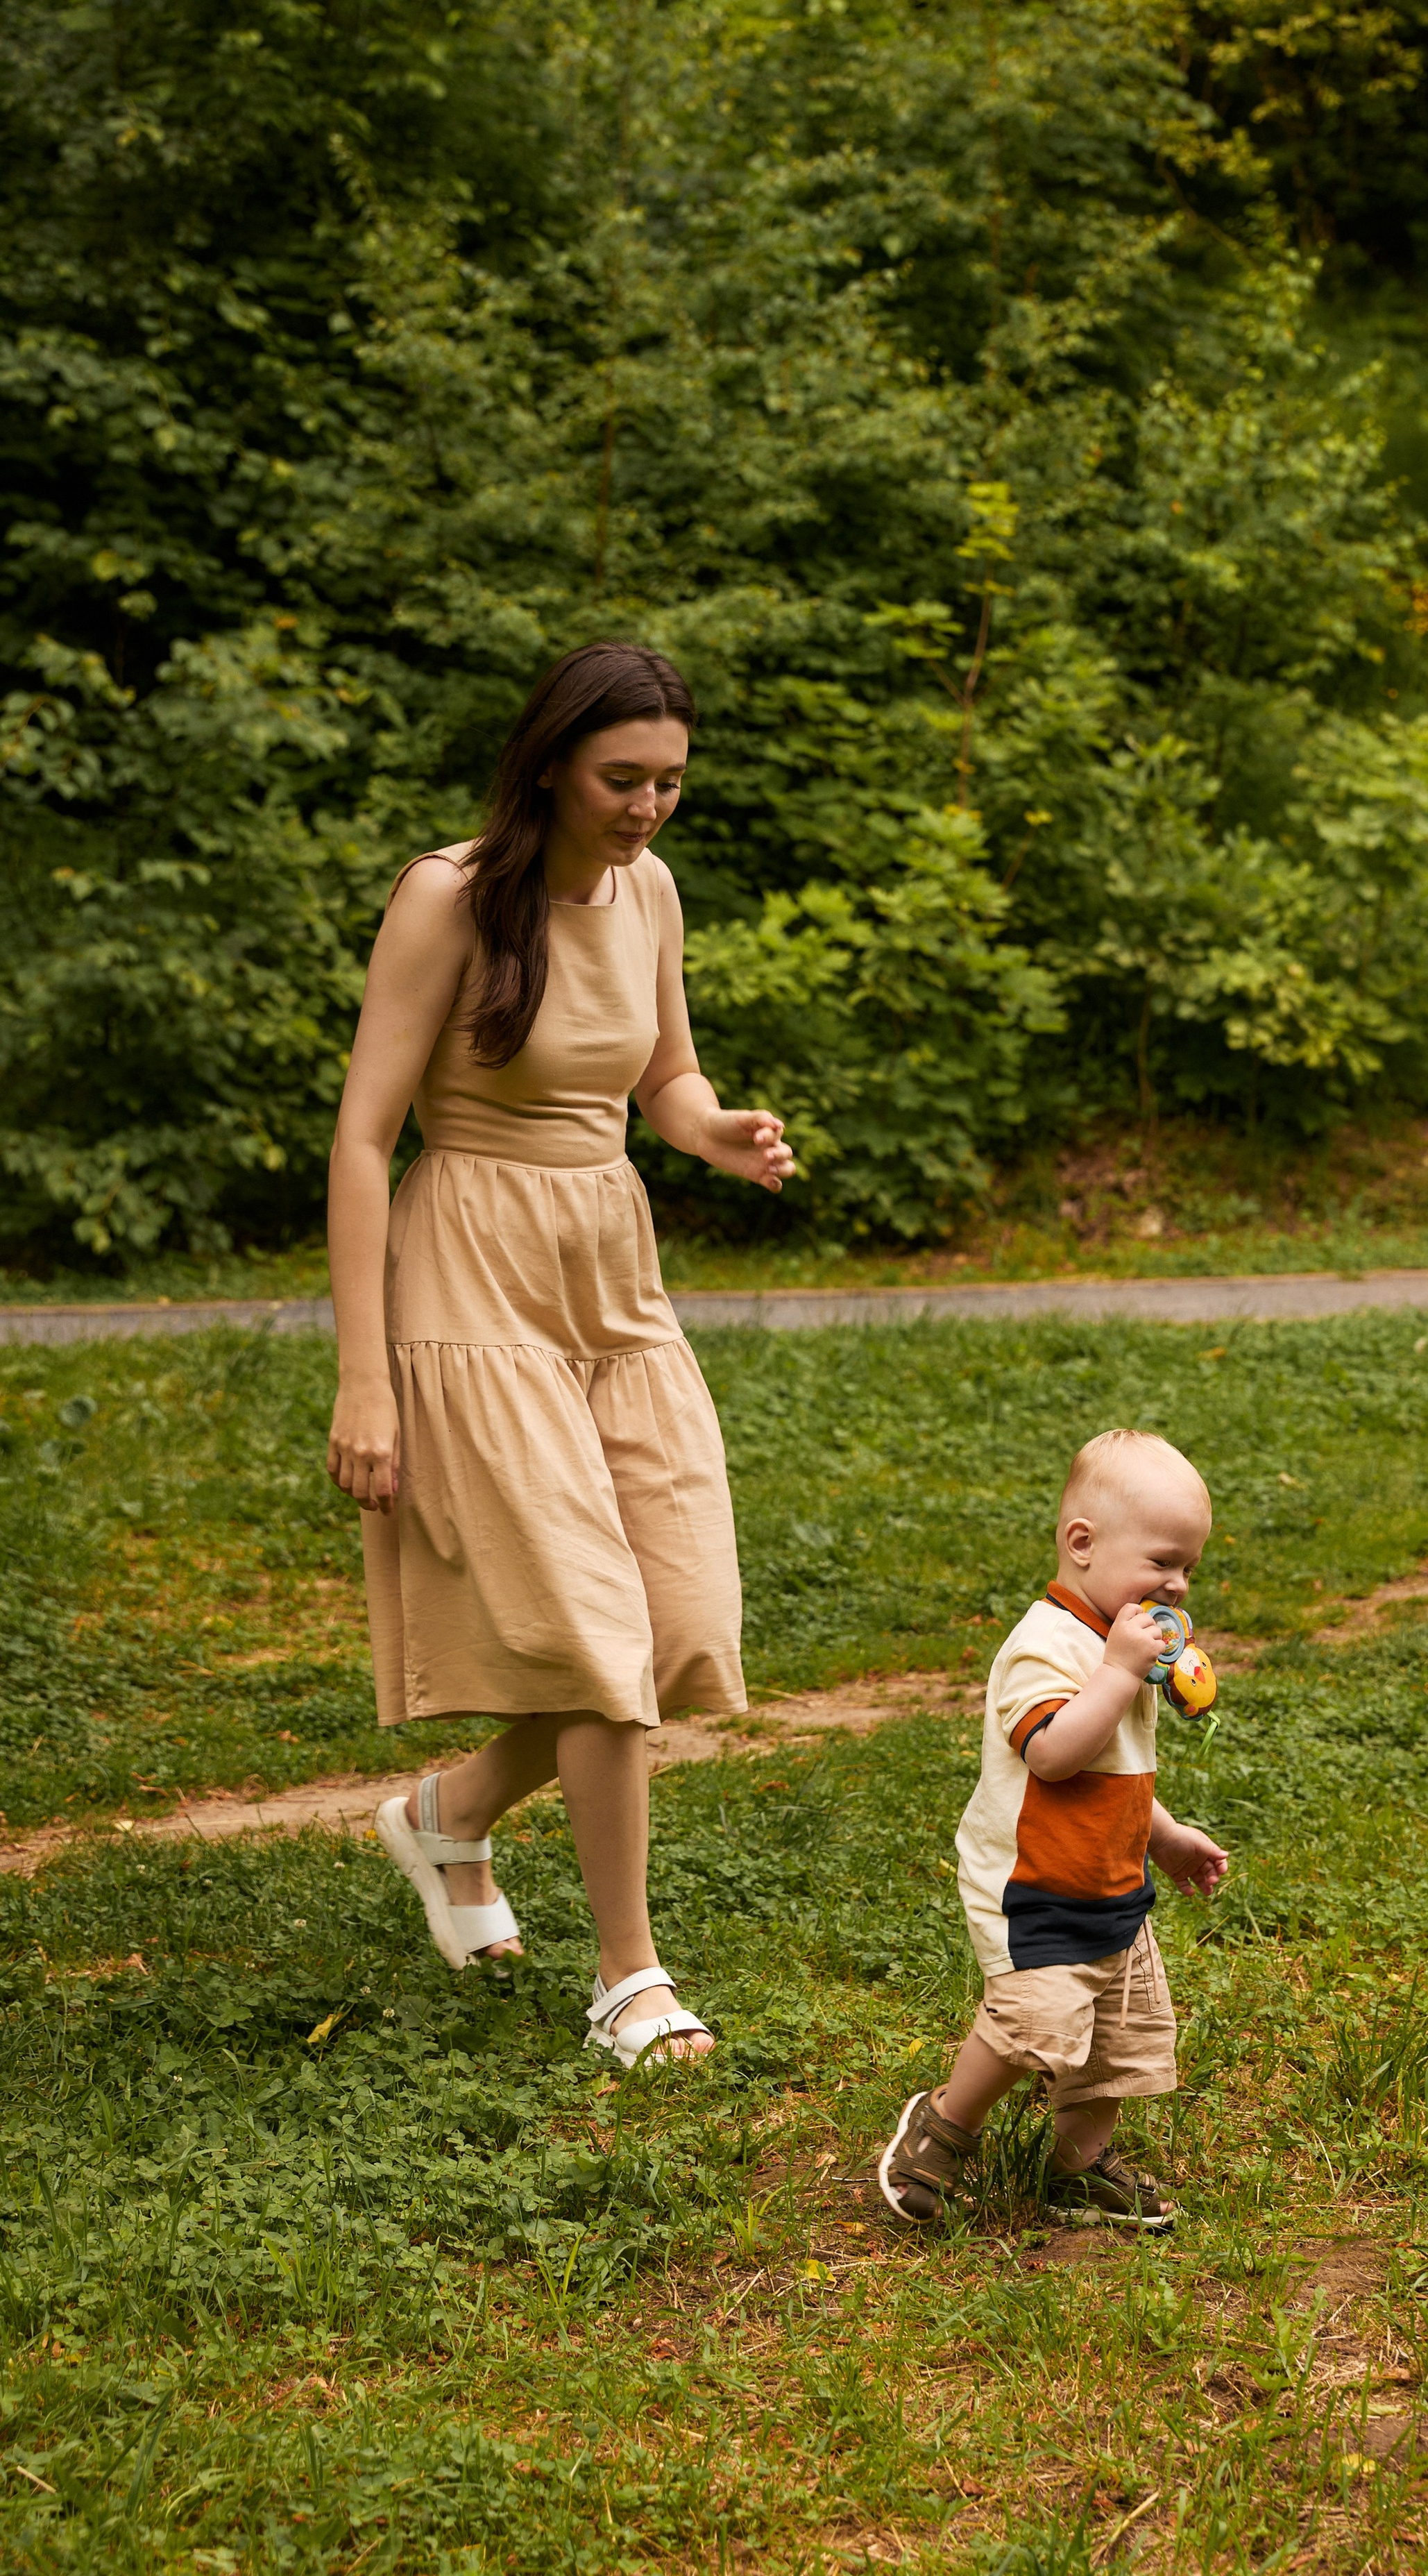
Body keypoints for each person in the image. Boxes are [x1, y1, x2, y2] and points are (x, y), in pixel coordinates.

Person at [325, 643, 793, 2067]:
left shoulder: (646, 890)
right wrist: (365, 1373)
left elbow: (660, 1073)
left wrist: (710, 1130)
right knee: (596, 1649)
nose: (649, 806)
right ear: (550, 764)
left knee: (673, 1626)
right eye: (622, 778)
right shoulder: (449, 896)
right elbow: (362, 1137)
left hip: (610, 1269)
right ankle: (628, 1978)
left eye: (668, 781)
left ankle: (447, 1818)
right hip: (466, 1268)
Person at [876, 1429, 1228, 2227]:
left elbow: (1116, 1766)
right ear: (1081, 1544)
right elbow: (1055, 1755)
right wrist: (1114, 1671)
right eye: (1161, 1562)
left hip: (1109, 1885)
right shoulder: (1048, 1645)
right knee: (1030, 2024)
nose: (1176, 1586)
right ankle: (940, 2128)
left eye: (1188, 1570)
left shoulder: (1119, 1647)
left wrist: (1163, 1835)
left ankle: (1077, 2164)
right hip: (1037, 1887)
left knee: (1114, 2046)